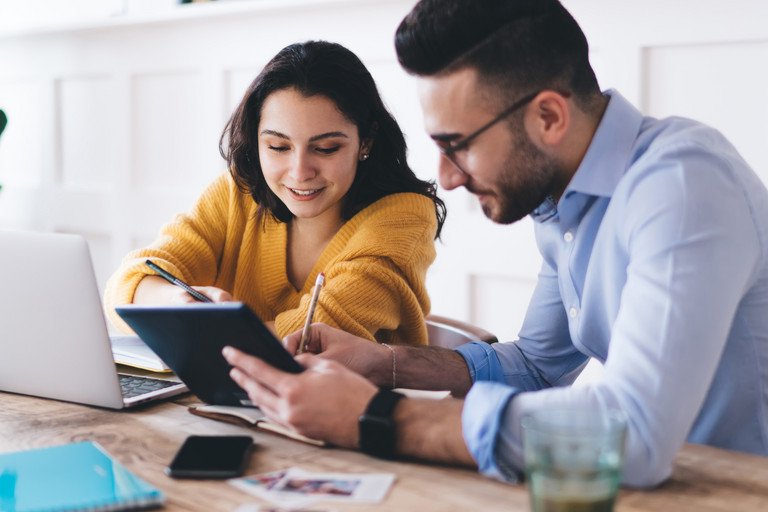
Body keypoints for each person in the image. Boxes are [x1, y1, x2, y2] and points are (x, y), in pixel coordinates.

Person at [222, 0, 768, 488]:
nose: (447, 177)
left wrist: (376, 416)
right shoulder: (564, 199)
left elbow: (634, 435)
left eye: (457, 144)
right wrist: (384, 363)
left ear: (548, 117)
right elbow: (536, 366)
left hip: (734, 491)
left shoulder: (681, 187)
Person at [104, 40, 446, 345]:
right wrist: (176, 303)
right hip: (229, 393)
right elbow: (128, 285)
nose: (300, 172)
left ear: (365, 142)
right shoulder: (236, 193)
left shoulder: (406, 217)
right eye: (278, 147)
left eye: (326, 148)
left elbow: (315, 336)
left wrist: (191, 332)